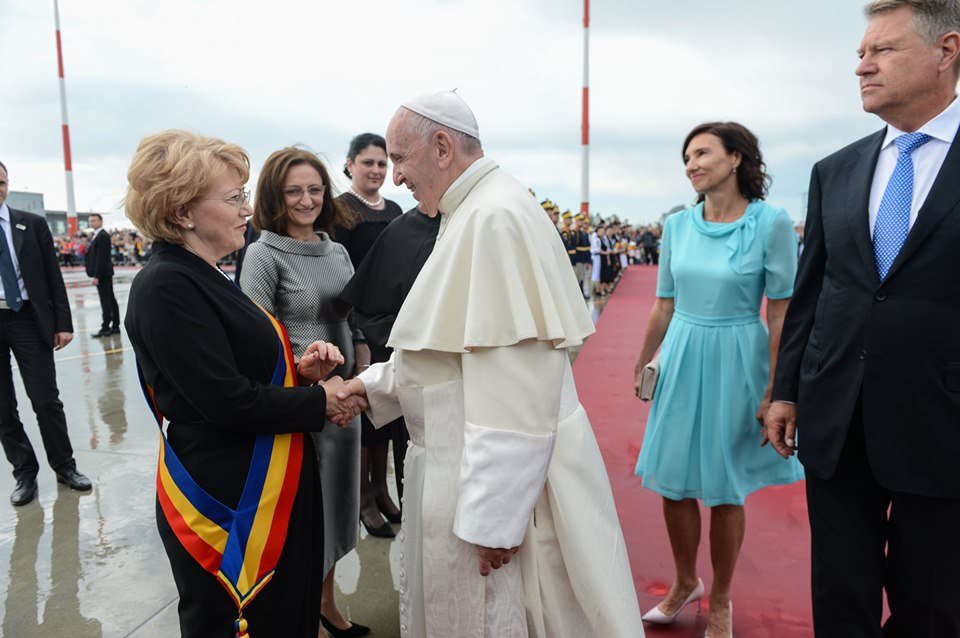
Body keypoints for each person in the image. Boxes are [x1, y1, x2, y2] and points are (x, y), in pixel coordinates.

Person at [339, 90, 643, 638]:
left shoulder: (495, 216)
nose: (397, 177)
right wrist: (368, 387)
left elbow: (516, 384)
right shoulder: (472, 210)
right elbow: (446, 354)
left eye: (401, 159)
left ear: (440, 146)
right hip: (461, 463)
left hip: (485, 488)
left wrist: (495, 521)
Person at [765, 2, 960, 636]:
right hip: (836, 418)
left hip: (943, 423)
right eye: (859, 53)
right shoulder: (836, 170)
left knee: (932, 603)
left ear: (947, 50)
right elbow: (815, 290)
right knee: (840, 592)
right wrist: (787, 389)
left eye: (883, 51)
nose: (862, 67)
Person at [123, 130, 364, 638]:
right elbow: (225, 400)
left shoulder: (205, 273)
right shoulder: (166, 285)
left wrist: (300, 372)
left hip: (265, 481)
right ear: (183, 211)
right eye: (234, 198)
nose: (247, 209)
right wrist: (318, 401)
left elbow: (233, 371)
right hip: (230, 498)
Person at [633, 121, 803, 638]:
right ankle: (686, 582)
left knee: (726, 487)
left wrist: (777, 386)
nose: (691, 164)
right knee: (672, 479)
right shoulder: (678, 226)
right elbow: (664, 304)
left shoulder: (770, 223)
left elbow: (780, 311)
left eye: (702, 152)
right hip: (682, 353)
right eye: (686, 157)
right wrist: (643, 361)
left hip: (738, 357)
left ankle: (723, 597)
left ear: (735, 159)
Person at [239, 146, 370, 638]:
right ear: (274, 194)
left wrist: (361, 366)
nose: (306, 199)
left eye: (315, 189)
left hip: (344, 399)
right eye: (294, 190)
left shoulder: (335, 249)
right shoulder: (263, 253)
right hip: (301, 402)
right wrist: (311, 375)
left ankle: (326, 604)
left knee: (337, 506)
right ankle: (304, 616)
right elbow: (256, 342)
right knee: (303, 516)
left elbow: (351, 316)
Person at [0, 160, 92, 507]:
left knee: (45, 400)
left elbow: (53, 275)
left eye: (2, 182)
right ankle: (24, 473)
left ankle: (65, 467)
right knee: (3, 409)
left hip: (27, 319)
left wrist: (63, 323)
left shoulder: (31, 224)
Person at [332, 132, 406, 541]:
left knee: (388, 414)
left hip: (392, 325)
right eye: (368, 163)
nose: (376, 170)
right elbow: (342, 276)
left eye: (382, 163)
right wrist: (354, 328)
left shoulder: (395, 209)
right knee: (363, 411)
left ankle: (382, 491)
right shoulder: (340, 211)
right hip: (357, 326)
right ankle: (363, 500)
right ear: (350, 165)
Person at [84, 213, 120, 338]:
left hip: (103, 274)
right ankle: (115, 326)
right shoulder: (97, 235)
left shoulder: (102, 235)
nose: (91, 223)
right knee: (109, 298)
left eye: (94, 220)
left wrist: (96, 276)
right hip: (103, 273)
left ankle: (107, 327)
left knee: (106, 300)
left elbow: (101, 257)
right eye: (90, 221)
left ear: (100, 221)